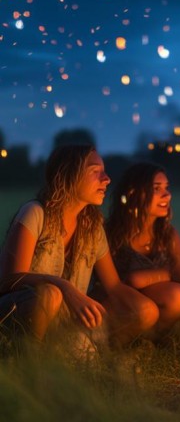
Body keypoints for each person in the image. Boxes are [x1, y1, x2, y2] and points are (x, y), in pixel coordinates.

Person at [0, 145, 158, 351]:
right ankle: (30, 363)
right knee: (50, 294)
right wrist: (64, 287)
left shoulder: (92, 227)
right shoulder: (35, 213)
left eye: (104, 171)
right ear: (69, 175)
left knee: (144, 310)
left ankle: (106, 355)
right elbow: (9, 280)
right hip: (16, 314)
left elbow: (114, 286)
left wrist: (146, 311)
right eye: (96, 172)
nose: (107, 179)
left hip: (63, 319)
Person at [105, 162, 180, 343]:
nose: (167, 194)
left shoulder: (167, 235)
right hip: (119, 306)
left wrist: (154, 276)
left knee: (179, 296)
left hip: (156, 309)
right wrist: (150, 278)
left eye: (166, 188)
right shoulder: (111, 234)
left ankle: (146, 344)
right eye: (157, 188)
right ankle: (112, 347)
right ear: (133, 193)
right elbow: (111, 284)